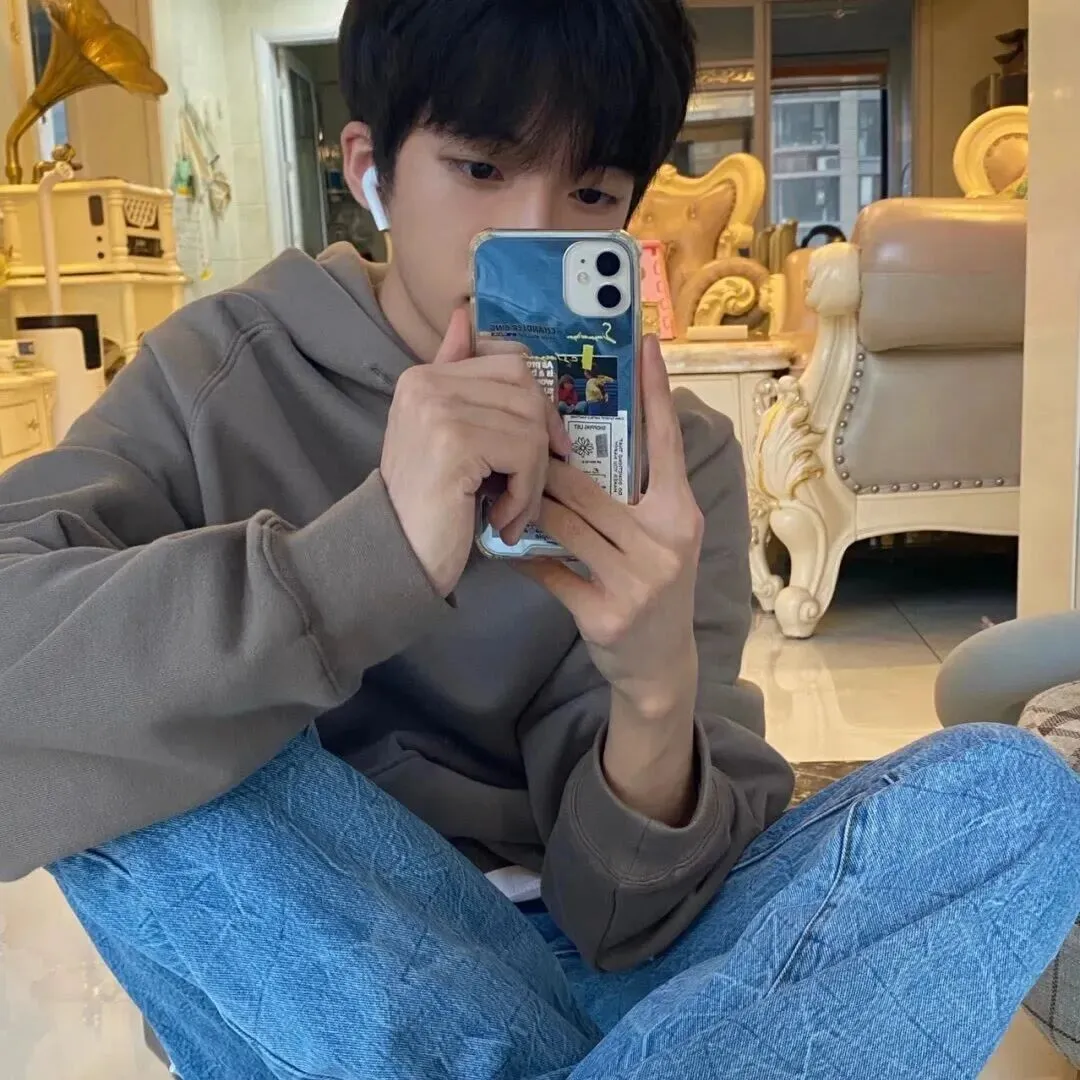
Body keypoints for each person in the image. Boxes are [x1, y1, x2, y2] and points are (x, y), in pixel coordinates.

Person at [0, 2, 1077, 1077]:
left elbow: (627, 922)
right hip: (332, 955)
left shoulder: (676, 457)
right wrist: (360, 563)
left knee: (1017, 798)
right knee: (134, 727)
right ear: (372, 170)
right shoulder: (221, 371)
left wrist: (652, 696)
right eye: (480, 168)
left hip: (592, 968)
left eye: (592, 192)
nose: (532, 229)